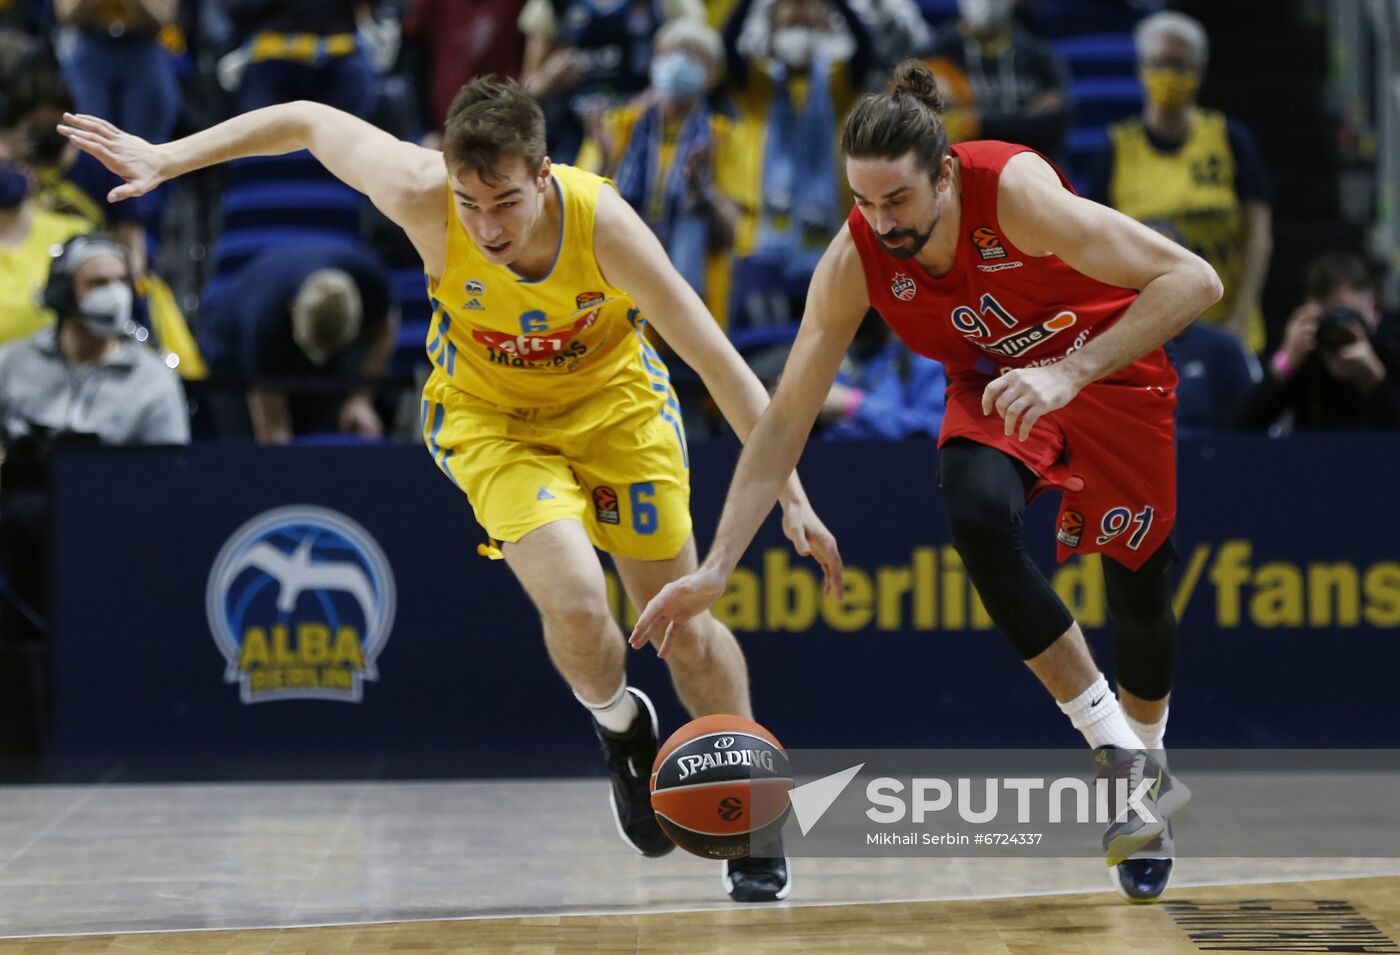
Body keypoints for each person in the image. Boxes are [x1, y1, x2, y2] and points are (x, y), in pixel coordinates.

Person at [60, 76, 838, 901]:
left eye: (505, 202)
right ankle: (621, 727)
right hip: (493, 416)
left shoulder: (603, 222)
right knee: (577, 605)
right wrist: (169, 156)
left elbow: (718, 362)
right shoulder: (420, 191)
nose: (487, 226)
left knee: (684, 626)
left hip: (617, 410)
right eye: (471, 203)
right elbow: (306, 117)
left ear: (543, 176)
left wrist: (791, 492)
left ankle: (751, 810)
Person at [629, 60, 1223, 903]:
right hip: (992, 387)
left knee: (1139, 592)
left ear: (944, 173)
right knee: (977, 512)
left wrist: (1070, 371)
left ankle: (1150, 763)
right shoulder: (855, 256)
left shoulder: (1018, 195)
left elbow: (1195, 280)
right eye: (863, 202)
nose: (881, 222)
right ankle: (1121, 765)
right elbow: (784, 417)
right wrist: (719, 563)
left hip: (1108, 371)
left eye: (897, 201)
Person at [0, 233, 189, 646]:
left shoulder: (154, 381)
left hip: (115, 537)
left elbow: (171, 483)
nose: (116, 295)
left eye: (122, 281)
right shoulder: (11, 364)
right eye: (98, 283)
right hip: (17, 538)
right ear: (64, 292)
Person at [1084, 11, 1271, 354]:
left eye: (1180, 65)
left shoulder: (1229, 138)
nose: (1168, 74)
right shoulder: (1116, 148)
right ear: (1140, 69)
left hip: (1229, 325)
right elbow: (1099, 243)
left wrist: (1242, 316)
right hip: (1148, 334)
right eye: (1159, 63)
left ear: (1199, 73)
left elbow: (1258, 235)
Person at [196, 240, 397, 443]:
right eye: (315, 346)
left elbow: (386, 327)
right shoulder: (266, 322)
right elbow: (272, 432)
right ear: (293, 309)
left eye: (330, 348)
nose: (320, 358)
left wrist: (360, 399)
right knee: (247, 449)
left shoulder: (370, 280)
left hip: (297, 337)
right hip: (231, 347)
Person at [1236, 252, 1400, 432]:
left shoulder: (1389, 346)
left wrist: (1373, 376)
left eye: (1346, 315)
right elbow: (1242, 430)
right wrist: (1285, 361)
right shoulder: (1307, 352)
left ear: (1373, 311)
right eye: (1329, 318)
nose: (1337, 329)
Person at [924, 0, 1072, 162]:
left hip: (1029, 171)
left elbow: (1056, 123)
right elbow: (928, 130)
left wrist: (977, 123)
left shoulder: (1039, 57)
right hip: (964, 174)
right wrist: (1023, 117)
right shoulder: (935, 56)